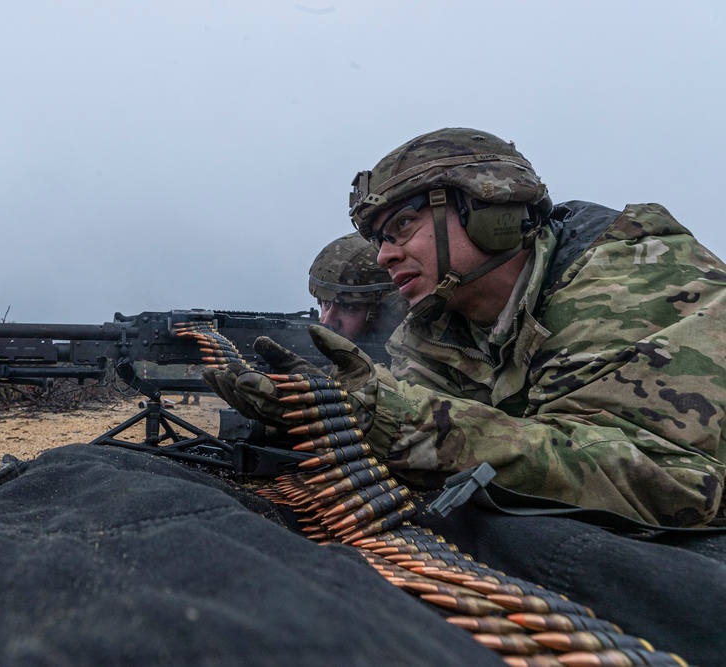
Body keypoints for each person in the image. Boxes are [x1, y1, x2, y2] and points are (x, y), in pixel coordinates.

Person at [206, 127, 726, 528]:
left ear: (489, 210)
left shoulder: (630, 283)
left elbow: (671, 486)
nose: (384, 255)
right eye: (379, 239)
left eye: (401, 226)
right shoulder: (433, 329)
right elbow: (427, 430)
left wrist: (388, 420)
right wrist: (321, 412)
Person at [307, 232, 407, 363]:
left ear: (385, 312)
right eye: (325, 303)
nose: (327, 322)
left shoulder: (418, 361)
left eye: (348, 307)